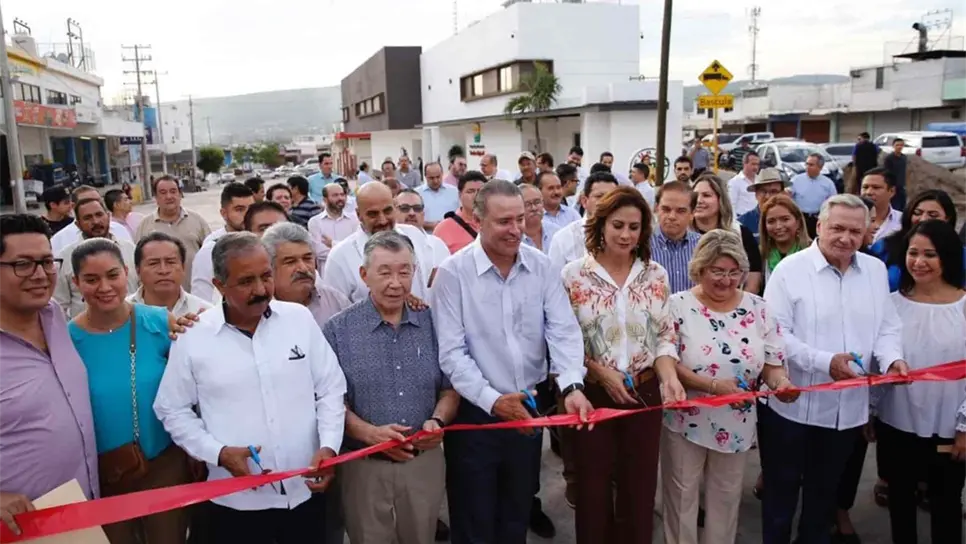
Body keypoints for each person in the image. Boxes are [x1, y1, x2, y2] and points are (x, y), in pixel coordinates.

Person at [154, 232, 348, 543]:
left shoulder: (299, 320)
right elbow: (171, 408)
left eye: (266, 276)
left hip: (305, 492)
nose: (260, 290)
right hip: (236, 503)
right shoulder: (194, 336)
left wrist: (328, 447)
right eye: (246, 281)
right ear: (219, 285)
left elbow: (330, 389)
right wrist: (217, 453)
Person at [431, 180, 594, 544]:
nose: (516, 229)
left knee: (516, 511)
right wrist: (493, 401)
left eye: (520, 218)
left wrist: (571, 385)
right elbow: (452, 353)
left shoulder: (541, 266)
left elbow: (564, 330)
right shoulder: (453, 274)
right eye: (504, 221)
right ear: (478, 221)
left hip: (529, 407)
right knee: (474, 517)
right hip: (476, 414)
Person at [761, 193, 909, 544]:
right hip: (791, 409)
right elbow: (774, 335)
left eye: (856, 231)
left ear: (866, 233)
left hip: (846, 414)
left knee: (823, 500)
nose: (846, 238)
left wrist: (892, 360)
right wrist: (824, 362)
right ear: (819, 226)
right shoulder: (789, 270)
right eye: (838, 228)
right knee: (780, 498)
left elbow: (887, 327)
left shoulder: (873, 271)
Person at [561, 187, 686, 543]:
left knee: (640, 489)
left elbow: (664, 337)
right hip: (592, 395)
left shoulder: (656, 275)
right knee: (592, 492)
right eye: (618, 225)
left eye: (634, 227)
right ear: (600, 225)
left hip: (644, 393)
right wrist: (598, 372)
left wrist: (668, 378)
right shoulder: (573, 276)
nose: (626, 235)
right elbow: (563, 343)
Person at [662, 229, 798, 544]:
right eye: (717, 271)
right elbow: (667, 359)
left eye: (733, 272)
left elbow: (772, 363)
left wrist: (781, 384)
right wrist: (711, 385)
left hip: (735, 420)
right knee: (681, 494)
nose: (726, 280)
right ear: (699, 269)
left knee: (725, 497)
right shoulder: (677, 306)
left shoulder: (758, 307)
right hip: (686, 417)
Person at [323, 231, 459, 544]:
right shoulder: (338, 330)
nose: (395, 283)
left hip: (422, 462)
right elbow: (330, 401)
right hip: (364, 464)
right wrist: (370, 434)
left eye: (404, 272)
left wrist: (437, 421)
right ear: (364, 274)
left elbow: (451, 387)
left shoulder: (434, 323)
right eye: (384, 272)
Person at [67, 238, 190, 544]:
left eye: (112, 275)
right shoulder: (66, 338)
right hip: (105, 472)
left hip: (163, 463)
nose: (104, 287)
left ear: (126, 273)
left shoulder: (159, 321)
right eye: (91, 279)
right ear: (76, 283)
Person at [0, 215, 98, 537]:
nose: (40, 275)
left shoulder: (53, 314)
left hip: (82, 512)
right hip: (20, 528)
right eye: (23, 265)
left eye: (46, 262)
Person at [875, 219, 966, 544]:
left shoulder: (964, 306)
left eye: (930, 254)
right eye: (913, 253)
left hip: (949, 428)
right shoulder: (892, 304)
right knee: (900, 503)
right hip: (897, 423)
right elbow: (881, 353)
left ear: (947, 257)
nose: (919, 262)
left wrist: (964, 428)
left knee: (946, 504)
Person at [323, 182, 436, 303]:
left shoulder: (415, 236)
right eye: (373, 214)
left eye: (387, 211)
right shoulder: (340, 257)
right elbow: (337, 315)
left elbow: (427, 285)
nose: (382, 221)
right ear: (358, 215)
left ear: (394, 206)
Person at [55, 197, 138, 318]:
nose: (96, 221)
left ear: (108, 216)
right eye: (87, 218)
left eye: (99, 215)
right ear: (78, 224)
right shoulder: (66, 257)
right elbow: (59, 305)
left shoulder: (129, 249)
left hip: (132, 325)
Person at [870, 189, 964, 292]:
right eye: (917, 213)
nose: (923, 219)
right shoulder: (884, 247)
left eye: (933, 215)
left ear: (948, 218)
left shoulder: (961, 253)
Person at [262, 222, 350, 329]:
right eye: (290, 262)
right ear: (270, 268)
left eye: (307, 259)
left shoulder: (336, 301)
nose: (303, 268)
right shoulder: (260, 311)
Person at [135, 176, 212, 291]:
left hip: (195, 293)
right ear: (156, 197)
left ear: (180, 194)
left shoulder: (197, 221)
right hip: (157, 298)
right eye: (163, 192)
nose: (169, 196)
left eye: (173, 191)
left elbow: (210, 254)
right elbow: (137, 262)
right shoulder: (145, 225)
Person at [690, 175, 763, 294]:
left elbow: (752, 284)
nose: (699, 200)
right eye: (695, 195)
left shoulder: (741, 234)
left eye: (706, 195)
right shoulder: (682, 235)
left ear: (721, 200)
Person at [191, 183, 255, 302]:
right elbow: (201, 298)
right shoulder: (211, 249)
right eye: (239, 210)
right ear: (224, 213)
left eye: (251, 209)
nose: (247, 215)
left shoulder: (261, 240)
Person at [549, 172, 620, 274]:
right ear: (584, 201)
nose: (607, 202)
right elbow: (554, 283)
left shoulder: (627, 237)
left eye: (612, 197)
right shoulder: (563, 239)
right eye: (599, 196)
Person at [128, 232, 212, 318]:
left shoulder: (205, 313)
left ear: (183, 267)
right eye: (153, 263)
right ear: (138, 270)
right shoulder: (122, 313)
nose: (163, 270)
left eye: (171, 262)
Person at [651, 181, 701, 294]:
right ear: (656, 209)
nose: (672, 216)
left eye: (681, 211)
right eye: (666, 209)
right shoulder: (641, 244)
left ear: (692, 214)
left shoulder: (703, 247)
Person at [53, 185, 133, 255]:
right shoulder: (60, 241)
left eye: (97, 201)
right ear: (73, 206)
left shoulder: (120, 230)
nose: (96, 221)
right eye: (86, 202)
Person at [307, 182, 359, 275]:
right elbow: (319, 252)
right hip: (328, 275)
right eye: (335, 195)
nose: (340, 198)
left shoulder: (354, 219)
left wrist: (333, 244)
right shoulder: (315, 222)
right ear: (325, 199)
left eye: (342, 195)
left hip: (352, 273)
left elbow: (358, 248)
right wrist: (348, 250)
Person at [758, 194, 811, 285]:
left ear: (798, 222)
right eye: (771, 221)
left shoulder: (813, 252)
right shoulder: (759, 255)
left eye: (785, 219)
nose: (778, 226)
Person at [395, 189, 451, 266]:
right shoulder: (383, 245)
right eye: (405, 208)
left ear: (423, 213)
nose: (412, 213)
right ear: (394, 212)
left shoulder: (438, 246)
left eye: (417, 208)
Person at [434, 171, 485, 254]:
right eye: (470, 191)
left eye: (481, 191)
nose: (476, 195)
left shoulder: (497, 224)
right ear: (460, 195)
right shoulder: (443, 229)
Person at [788, 153, 838, 238]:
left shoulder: (828, 183)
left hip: (818, 219)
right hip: (800, 218)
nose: (807, 167)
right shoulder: (796, 180)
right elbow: (788, 196)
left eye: (811, 165)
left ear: (820, 167)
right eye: (806, 164)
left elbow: (834, 202)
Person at [737, 168, 789, 238]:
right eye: (763, 191)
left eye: (773, 191)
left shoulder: (791, 220)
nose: (767, 196)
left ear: (782, 194)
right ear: (756, 194)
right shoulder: (742, 223)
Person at [860, 167, 903, 244]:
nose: (869, 192)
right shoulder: (850, 220)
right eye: (865, 187)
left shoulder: (903, 222)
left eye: (876, 188)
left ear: (892, 191)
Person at [415, 162, 459, 232]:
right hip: (426, 237)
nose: (435, 181)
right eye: (431, 178)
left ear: (442, 174)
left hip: (451, 235)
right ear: (425, 176)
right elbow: (412, 220)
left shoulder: (454, 191)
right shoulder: (416, 194)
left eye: (438, 177)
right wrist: (430, 225)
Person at [519, 184, 560, 254]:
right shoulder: (515, 238)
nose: (534, 208)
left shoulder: (556, 232)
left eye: (537, 202)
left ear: (543, 203)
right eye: (527, 204)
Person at [727, 151, 761, 216]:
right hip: (741, 220)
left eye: (757, 164)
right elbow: (730, 205)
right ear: (744, 164)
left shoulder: (760, 180)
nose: (756, 167)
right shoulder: (734, 182)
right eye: (753, 164)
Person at [883, 139, 907, 210]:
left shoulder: (904, 157)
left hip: (902, 185)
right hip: (893, 185)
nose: (899, 147)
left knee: (903, 205)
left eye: (901, 145)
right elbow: (886, 172)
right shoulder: (889, 158)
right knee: (895, 206)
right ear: (893, 146)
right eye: (897, 145)